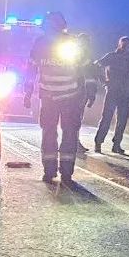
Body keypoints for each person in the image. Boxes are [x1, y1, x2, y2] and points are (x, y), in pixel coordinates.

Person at [26, 11, 89, 185]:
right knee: (50, 133)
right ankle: (50, 170)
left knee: (66, 134)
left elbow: (82, 66)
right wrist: (27, 90)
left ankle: (66, 172)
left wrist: (84, 93)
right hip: (49, 97)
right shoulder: (40, 44)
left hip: (69, 97)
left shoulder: (70, 43)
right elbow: (31, 68)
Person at [93, 36, 129, 154]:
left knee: (122, 119)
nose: (125, 46)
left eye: (128, 44)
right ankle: (98, 142)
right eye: (123, 44)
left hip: (125, 92)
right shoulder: (111, 56)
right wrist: (104, 81)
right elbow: (96, 65)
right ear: (119, 44)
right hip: (112, 91)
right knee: (106, 118)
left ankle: (117, 144)